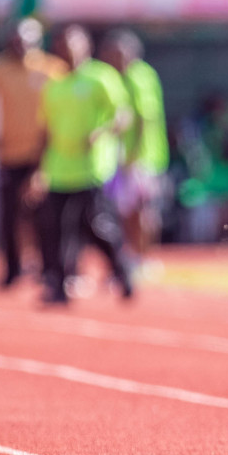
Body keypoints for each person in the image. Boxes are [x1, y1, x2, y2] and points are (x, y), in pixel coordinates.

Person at [32, 24, 134, 304]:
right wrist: (39, 170)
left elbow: (123, 115)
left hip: (91, 168)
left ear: (86, 46)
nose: (68, 51)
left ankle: (123, 270)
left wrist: (102, 132)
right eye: (63, 46)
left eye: (73, 45)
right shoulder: (53, 85)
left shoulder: (102, 77)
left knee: (96, 225)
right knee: (53, 228)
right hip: (58, 169)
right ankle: (58, 285)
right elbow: (45, 132)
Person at [0, 18, 65, 287]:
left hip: (43, 155)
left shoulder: (52, 69)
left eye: (27, 41)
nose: (21, 46)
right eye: (17, 41)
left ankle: (49, 269)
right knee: (9, 216)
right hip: (8, 154)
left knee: (46, 216)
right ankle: (12, 270)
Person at [100, 29, 169, 257]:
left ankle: (144, 257)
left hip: (141, 157)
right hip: (121, 156)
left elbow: (143, 119)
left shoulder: (139, 76)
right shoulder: (116, 76)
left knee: (142, 210)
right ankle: (129, 257)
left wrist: (134, 154)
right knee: (124, 211)